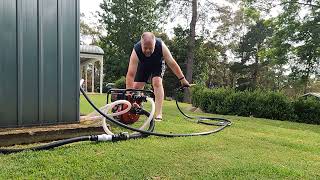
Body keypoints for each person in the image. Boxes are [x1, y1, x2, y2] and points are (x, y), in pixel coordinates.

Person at [126, 32, 190, 121]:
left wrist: (182, 79)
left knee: (157, 82)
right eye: (145, 48)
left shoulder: (161, 46)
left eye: (150, 48)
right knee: (136, 87)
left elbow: (172, 63)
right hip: (143, 65)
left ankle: (158, 113)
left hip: (158, 64)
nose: (148, 50)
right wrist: (129, 94)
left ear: (155, 43)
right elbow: (130, 74)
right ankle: (137, 108)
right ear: (141, 44)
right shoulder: (136, 50)